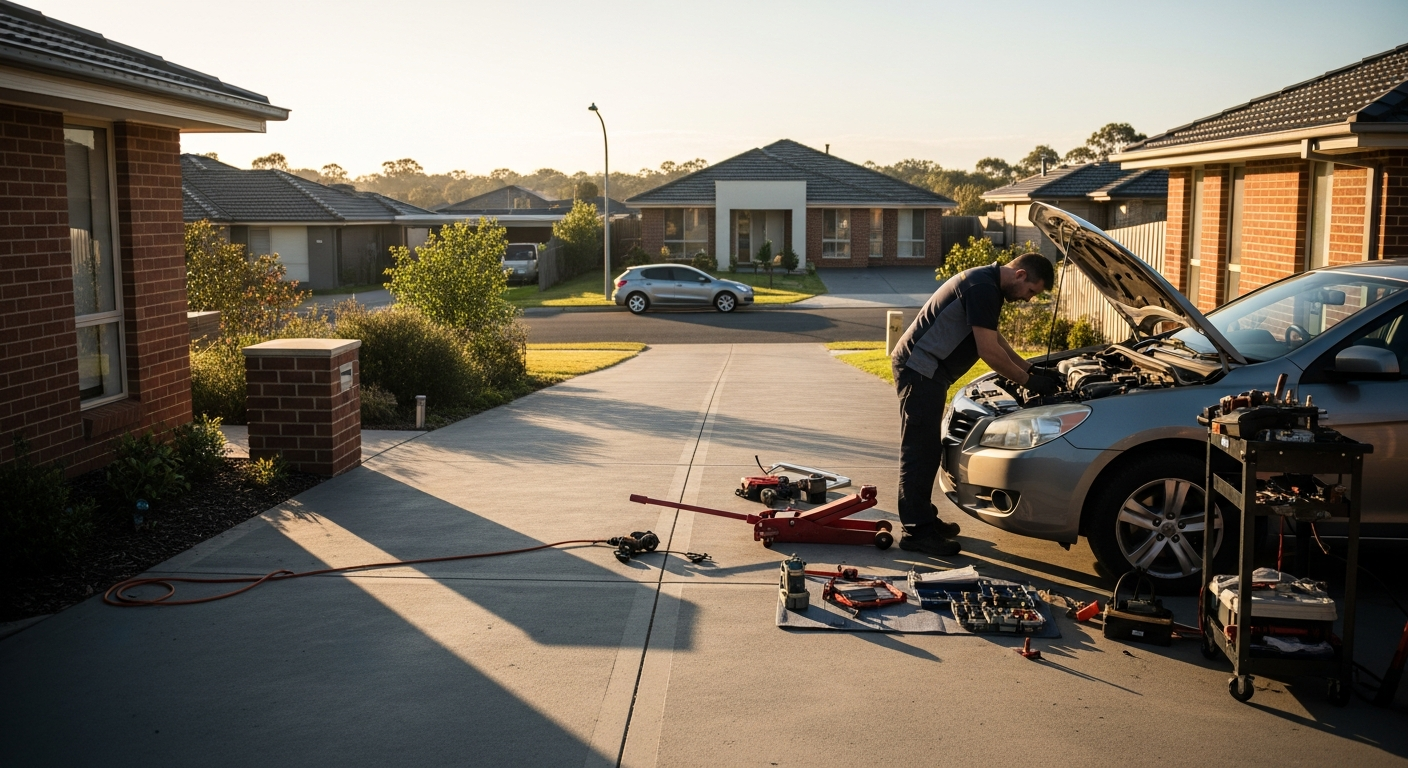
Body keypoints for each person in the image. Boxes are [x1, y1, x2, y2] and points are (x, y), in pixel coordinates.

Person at [889, 252, 1059, 556]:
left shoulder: (987, 283)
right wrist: (1028, 382)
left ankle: (922, 518)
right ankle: (916, 532)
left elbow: (997, 341)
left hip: (928, 371)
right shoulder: (981, 287)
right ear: (1020, 275)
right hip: (920, 370)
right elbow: (988, 352)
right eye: (1031, 291)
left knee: (929, 448)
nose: (1028, 299)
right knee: (919, 450)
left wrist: (1031, 369)